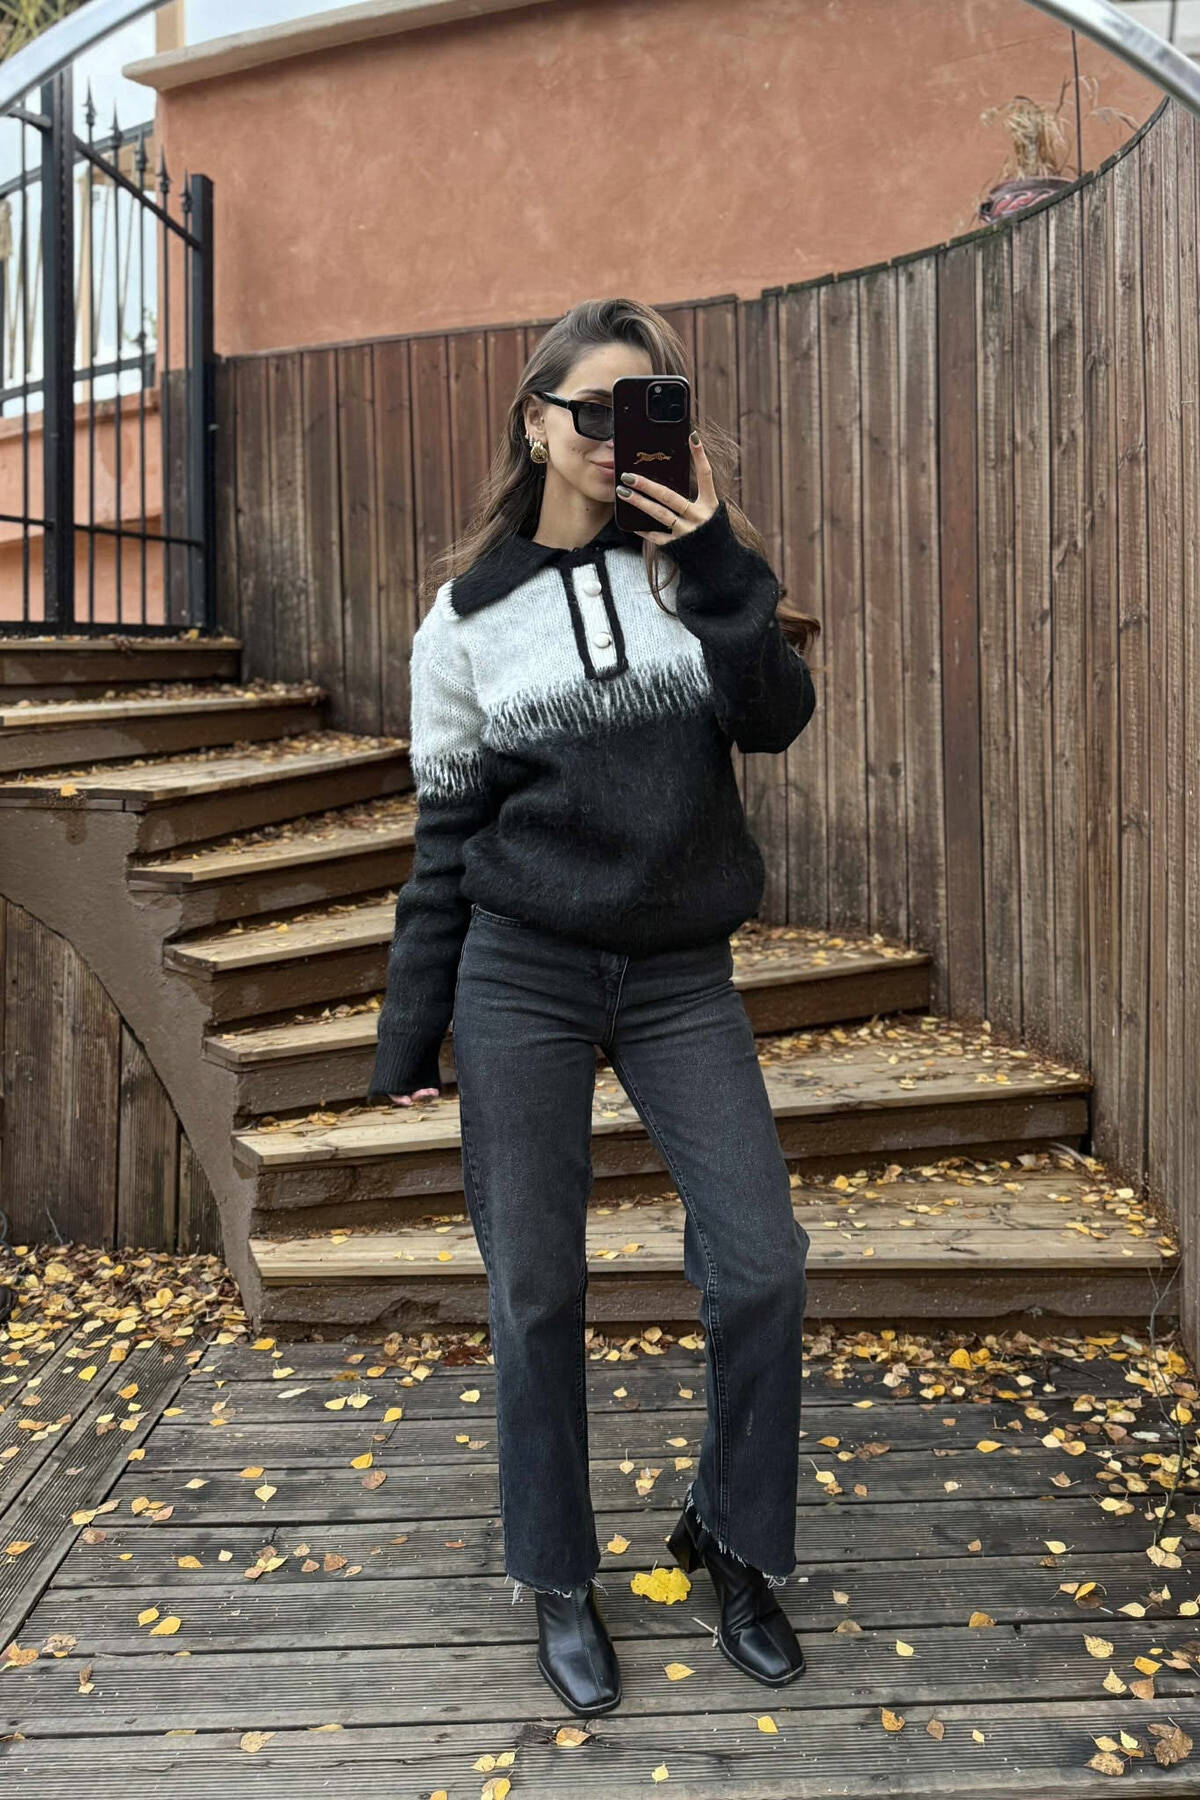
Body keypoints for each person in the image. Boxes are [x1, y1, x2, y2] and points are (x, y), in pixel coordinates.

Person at [367, 297, 822, 1717]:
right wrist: (411, 1025)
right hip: (525, 974)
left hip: (681, 974)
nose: (618, 436)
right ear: (537, 424)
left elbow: (776, 718)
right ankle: (558, 1574)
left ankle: (731, 1535)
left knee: (762, 1262)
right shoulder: (463, 623)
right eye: (593, 410)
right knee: (536, 1286)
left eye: (646, 408)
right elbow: (446, 840)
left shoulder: (694, 575)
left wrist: (718, 552)